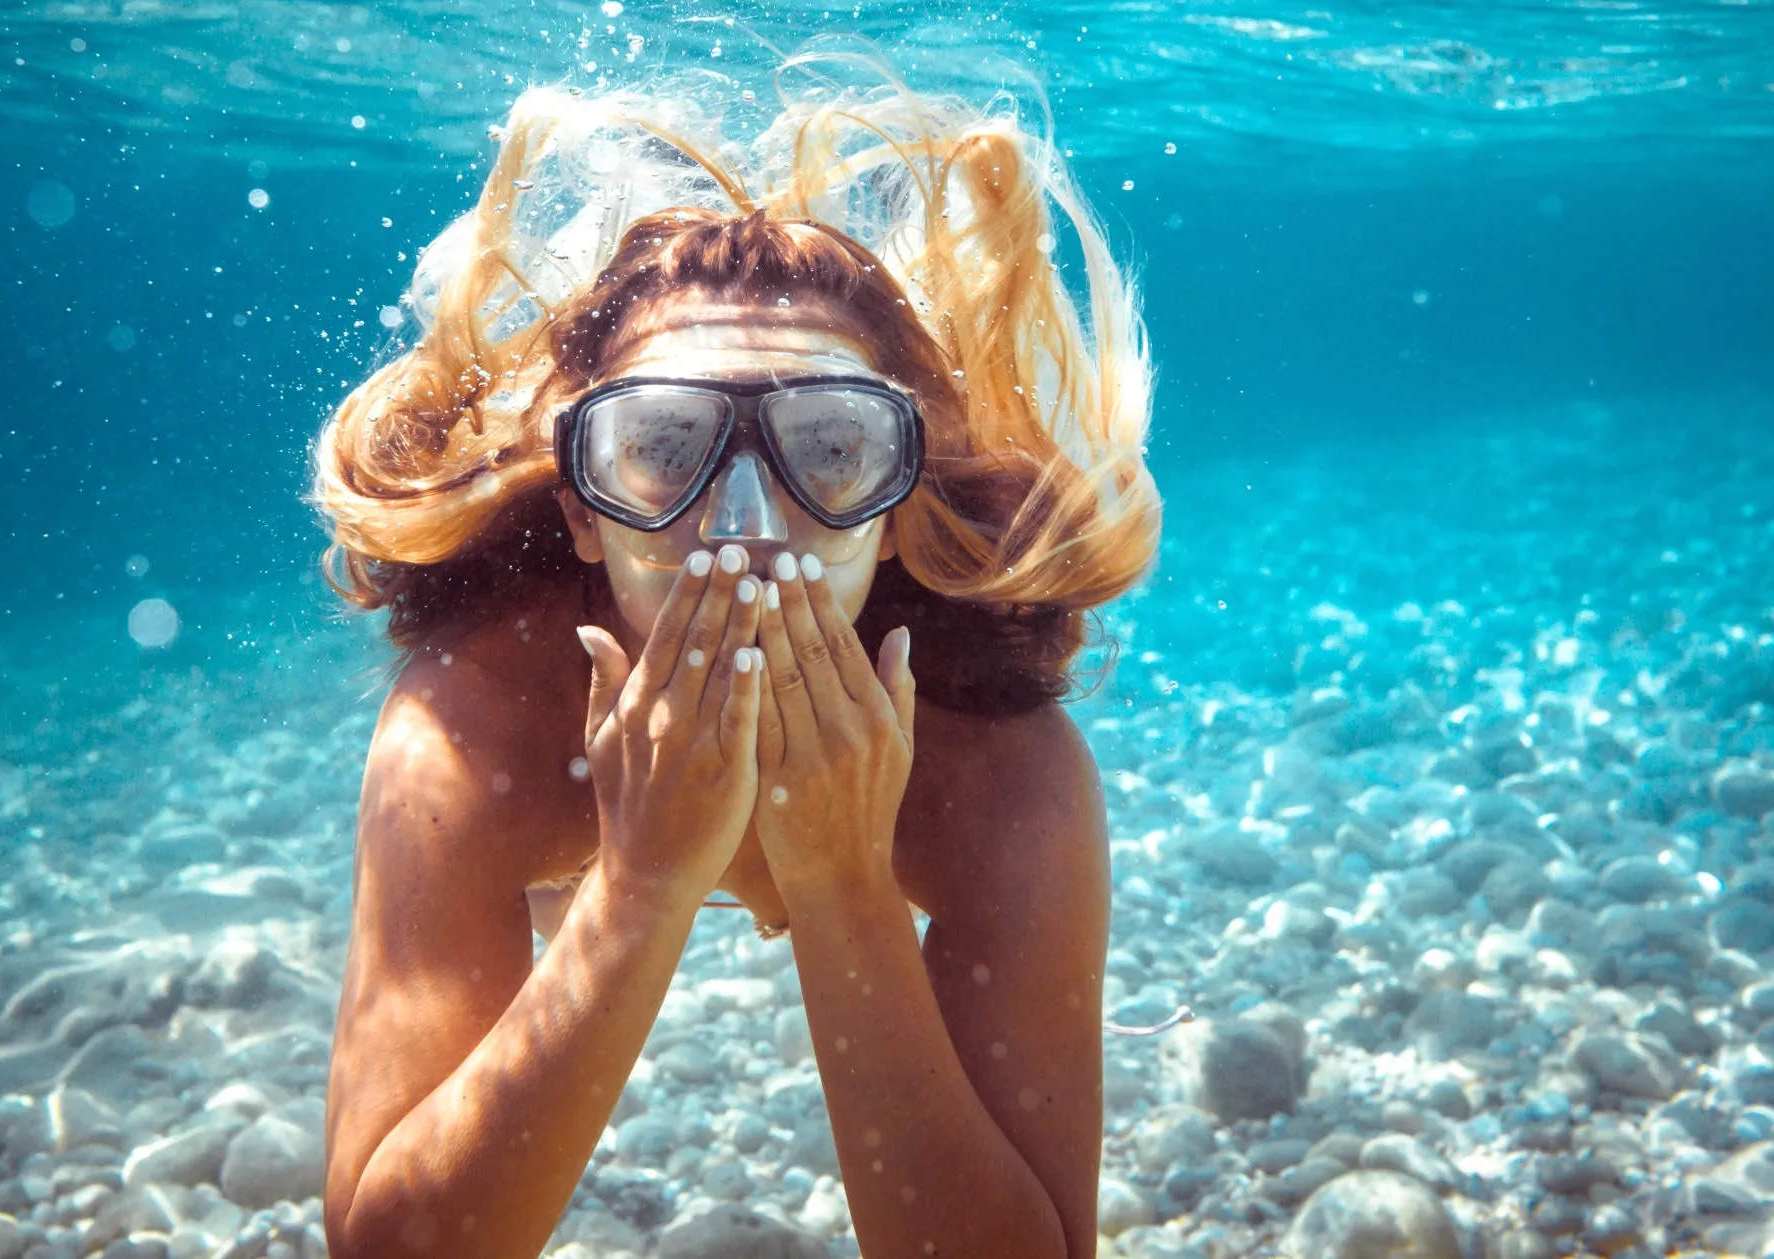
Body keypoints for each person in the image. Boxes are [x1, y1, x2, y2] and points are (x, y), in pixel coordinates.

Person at [311, 69, 1161, 1259]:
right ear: (582, 509)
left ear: (897, 502)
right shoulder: (482, 725)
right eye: (664, 448)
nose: (745, 527)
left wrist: (844, 884)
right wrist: (638, 885)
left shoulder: (992, 770)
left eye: (831, 448)